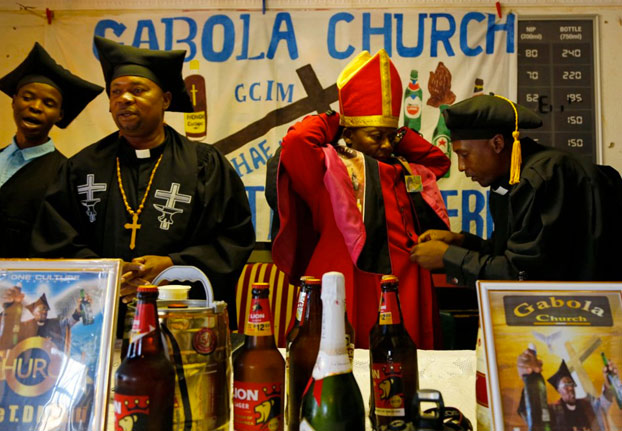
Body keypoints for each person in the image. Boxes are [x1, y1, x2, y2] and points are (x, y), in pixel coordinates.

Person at [31, 36, 255, 331]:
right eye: (116, 92)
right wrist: (109, 273)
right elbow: (53, 240)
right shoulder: (82, 167)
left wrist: (172, 263)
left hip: (180, 321)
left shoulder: (203, 165)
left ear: (165, 99)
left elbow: (233, 237)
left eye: (137, 90)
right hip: (98, 320)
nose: (124, 99)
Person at [270, 49, 450, 349]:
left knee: (401, 372)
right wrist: (338, 120)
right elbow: (296, 142)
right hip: (347, 277)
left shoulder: (405, 167)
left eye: (390, 137)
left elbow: (439, 162)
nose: (385, 145)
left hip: (405, 282)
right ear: (349, 135)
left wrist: (397, 132)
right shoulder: (329, 167)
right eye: (375, 135)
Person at [410, 94, 622, 285]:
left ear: (497, 143)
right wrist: (461, 242)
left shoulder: (543, 177)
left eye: (464, 155)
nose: (461, 167)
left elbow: (523, 273)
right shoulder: (508, 183)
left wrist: (448, 257)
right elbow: (507, 251)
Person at [0, 42, 103, 257]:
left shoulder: (66, 173)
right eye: (27, 97)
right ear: (14, 100)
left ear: (59, 115)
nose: (35, 107)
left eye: (48, 103)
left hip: (22, 284)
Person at [517, 351, 617, 431]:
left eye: (571, 384)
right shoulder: (553, 411)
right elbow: (530, 415)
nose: (570, 388)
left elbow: (604, 404)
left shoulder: (588, 405)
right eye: (565, 385)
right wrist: (528, 379)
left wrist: (609, 382)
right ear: (559, 390)